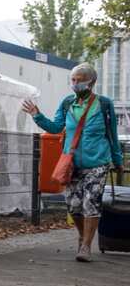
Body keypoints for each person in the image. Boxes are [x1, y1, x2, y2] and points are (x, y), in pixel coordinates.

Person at [23, 63, 123, 262]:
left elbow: (112, 134)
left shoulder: (104, 104)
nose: (74, 84)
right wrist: (37, 114)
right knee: (73, 205)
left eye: (79, 80)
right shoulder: (68, 103)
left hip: (98, 163)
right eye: (73, 80)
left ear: (91, 82)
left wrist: (117, 160)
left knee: (90, 202)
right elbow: (55, 127)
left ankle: (86, 246)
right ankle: (82, 235)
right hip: (72, 163)